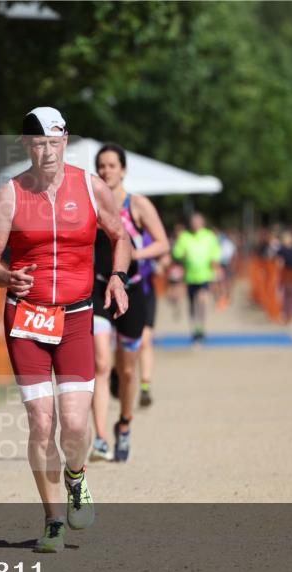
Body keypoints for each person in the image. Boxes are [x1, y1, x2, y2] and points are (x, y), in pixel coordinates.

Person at [0, 107, 130, 553]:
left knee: (76, 425)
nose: (47, 151)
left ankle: (77, 476)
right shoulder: (9, 194)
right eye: (38, 144)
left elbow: (120, 236)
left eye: (55, 142)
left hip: (78, 316)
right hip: (26, 317)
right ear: (27, 146)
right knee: (41, 423)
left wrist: (117, 278)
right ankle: (52, 521)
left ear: (65, 142)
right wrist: (5, 276)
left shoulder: (90, 185)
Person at [89, 144, 168, 463]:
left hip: (132, 293)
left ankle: (124, 424)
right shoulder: (90, 205)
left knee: (127, 367)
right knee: (100, 362)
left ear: (123, 170)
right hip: (97, 291)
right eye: (101, 166)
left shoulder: (137, 205)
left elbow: (163, 243)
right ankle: (101, 438)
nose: (106, 171)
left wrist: (135, 254)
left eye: (112, 165)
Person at [171, 212, 221, 343]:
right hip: (190, 277)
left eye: (198, 222)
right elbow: (176, 253)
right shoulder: (185, 237)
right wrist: (182, 255)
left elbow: (215, 253)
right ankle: (194, 330)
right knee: (192, 304)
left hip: (205, 275)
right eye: (194, 222)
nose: (196, 225)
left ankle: (202, 328)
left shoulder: (209, 236)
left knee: (202, 300)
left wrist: (215, 268)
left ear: (202, 223)